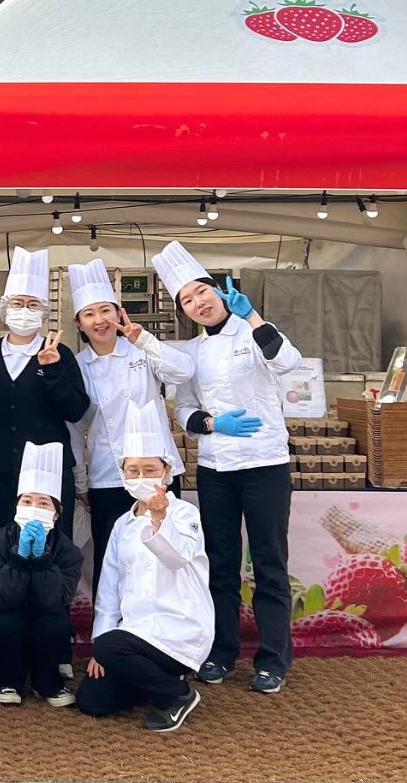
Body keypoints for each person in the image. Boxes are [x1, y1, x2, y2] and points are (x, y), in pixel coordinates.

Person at [155, 241, 302, 693]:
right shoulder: (191, 354)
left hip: (265, 464)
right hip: (217, 468)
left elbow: (288, 363)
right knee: (220, 564)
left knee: (269, 564)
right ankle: (221, 653)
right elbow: (183, 408)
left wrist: (253, 317)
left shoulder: (253, 333)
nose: (197, 303)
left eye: (201, 292)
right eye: (186, 300)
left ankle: (273, 659)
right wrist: (213, 423)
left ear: (219, 291)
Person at [75, 400, 213, 732]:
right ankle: (152, 680)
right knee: (92, 700)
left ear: (166, 472)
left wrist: (159, 518)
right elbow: (108, 591)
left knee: (111, 646)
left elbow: (177, 557)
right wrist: (101, 650)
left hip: (180, 629)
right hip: (136, 635)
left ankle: (177, 695)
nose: (141, 477)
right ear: (122, 474)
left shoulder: (184, 514)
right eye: (133, 470)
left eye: (150, 470)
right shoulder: (122, 525)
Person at [65, 258, 194, 595]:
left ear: (118, 313)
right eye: (89, 314)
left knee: (162, 552)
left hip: (156, 473)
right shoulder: (77, 366)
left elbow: (183, 372)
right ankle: (110, 636)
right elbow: (74, 428)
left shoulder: (141, 349)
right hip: (107, 475)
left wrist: (146, 341)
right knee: (111, 559)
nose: (99, 320)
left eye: (105, 310)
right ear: (79, 322)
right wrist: (81, 480)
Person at [0, 247, 89, 541]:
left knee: (50, 551)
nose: (24, 310)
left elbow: (75, 409)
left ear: (44, 312)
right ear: (5, 308)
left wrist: (52, 370)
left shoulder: (59, 352)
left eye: (33, 305)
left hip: (48, 477)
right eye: (18, 303)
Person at [0, 441, 82, 708]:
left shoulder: (69, 552)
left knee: (52, 622)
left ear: (57, 513)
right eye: (27, 501)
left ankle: (47, 681)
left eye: (43, 503)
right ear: (16, 507)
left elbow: (54, 602)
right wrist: (19, 558)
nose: (34, 507)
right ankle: (5, 679)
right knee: (7, 620)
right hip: (0, 615)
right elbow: (1, 597)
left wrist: (40, 560)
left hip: (43, 616)